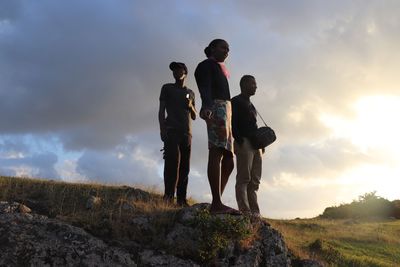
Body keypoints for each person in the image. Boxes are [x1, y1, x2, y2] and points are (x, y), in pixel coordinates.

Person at [194, 39, 240, 215]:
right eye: (223, 47)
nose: (227, 51)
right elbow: (204, 87)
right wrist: (206, 106)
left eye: (229, 49)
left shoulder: (221, 68)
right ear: (213, 48)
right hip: (216, 108)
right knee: (217, 152)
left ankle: (216, 201)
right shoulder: (206, 65)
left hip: (226, 111)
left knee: (229, 160)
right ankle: (216, 203)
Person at [158, 62, 196, 207]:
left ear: (185, 72)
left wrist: (191, 106)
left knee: (185, 167)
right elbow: (161, 110)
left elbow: (194, 116)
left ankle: (181, 199)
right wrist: (162, 129)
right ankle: (168, 197)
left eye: (178, 69)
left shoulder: (191, 93)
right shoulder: (167, 88)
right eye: (174, 70)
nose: (175, 72)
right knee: (172, 164)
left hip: (187, 134)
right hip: (171, 130)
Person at [231, 75, 262, 217]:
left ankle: (255, 213)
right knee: (244, 178)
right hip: (244, 142)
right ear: (243, 84)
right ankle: (245, 211)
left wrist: (261, 144)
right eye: (253, 84)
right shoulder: (235, 101)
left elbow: (254, 126)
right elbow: (231, 122)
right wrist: (239, 139)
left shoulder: (252, 105)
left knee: (254, 180)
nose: (256, 86)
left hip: (256, 146)